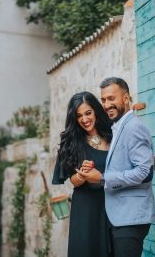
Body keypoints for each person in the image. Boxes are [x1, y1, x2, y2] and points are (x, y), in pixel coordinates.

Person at [77, 77, 155, 257]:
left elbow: (145, 172)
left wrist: (103, 178)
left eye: (112, 99)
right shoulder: (118, 127)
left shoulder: (133, 127)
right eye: (104, 100)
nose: (106, 105)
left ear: (126, 98)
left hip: (131, 218)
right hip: (120, 218)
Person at [52, 91, 113, 257]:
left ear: (95, 111)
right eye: (79, 116)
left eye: (88, 113)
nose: (85, 119)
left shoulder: (112, 135)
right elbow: (73, 181)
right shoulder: (72, 143)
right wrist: (82, 175)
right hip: (87, 208)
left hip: (114, 204)